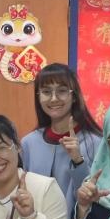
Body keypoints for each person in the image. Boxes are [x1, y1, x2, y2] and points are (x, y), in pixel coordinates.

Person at [20, 63, 103, 210]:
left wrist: (78, 161)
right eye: (46, 92)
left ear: (74, 96)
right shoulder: (28, 143)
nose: (53, 99)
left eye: (62, 91)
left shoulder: (95, 143)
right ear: (38, 97)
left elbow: (95, 198)